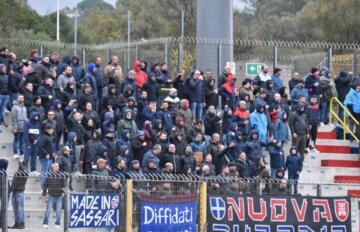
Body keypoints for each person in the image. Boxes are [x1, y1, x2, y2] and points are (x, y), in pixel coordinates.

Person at [42, 163, 65, 228]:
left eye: (58, 166)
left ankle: (57, 223)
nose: (57, 167)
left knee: (58, 211)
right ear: (53, 167)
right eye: (56, 166)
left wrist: (63, 192)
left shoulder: (61, 175)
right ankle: (45, 223)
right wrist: (44, 194)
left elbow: (63, 185)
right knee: (48, 210)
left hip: (59, 196)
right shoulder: (49, 175)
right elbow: (45, 185)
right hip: (51, 195)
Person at [9, 160, 28, 229]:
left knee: (20, 209)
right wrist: (10, 190)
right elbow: (14, 181)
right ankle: (16, 223)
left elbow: (23, 170)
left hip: (19, 192)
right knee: (15, 209)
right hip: (14, 191)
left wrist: (20, 162)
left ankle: (22, 224)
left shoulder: (25, 170)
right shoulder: (18, 171)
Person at [11, 94, 28, 159]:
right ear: (17, 99)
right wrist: (15, 128)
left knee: (22, 141)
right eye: (20, 98)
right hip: (17, 126)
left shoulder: (24, 108)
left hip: (23, 126)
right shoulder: (14, 107)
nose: (21, 99)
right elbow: (14, 119)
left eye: (22, 98)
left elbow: (26, 117)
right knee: (16, 140)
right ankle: (15, 153)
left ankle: (22, 153)